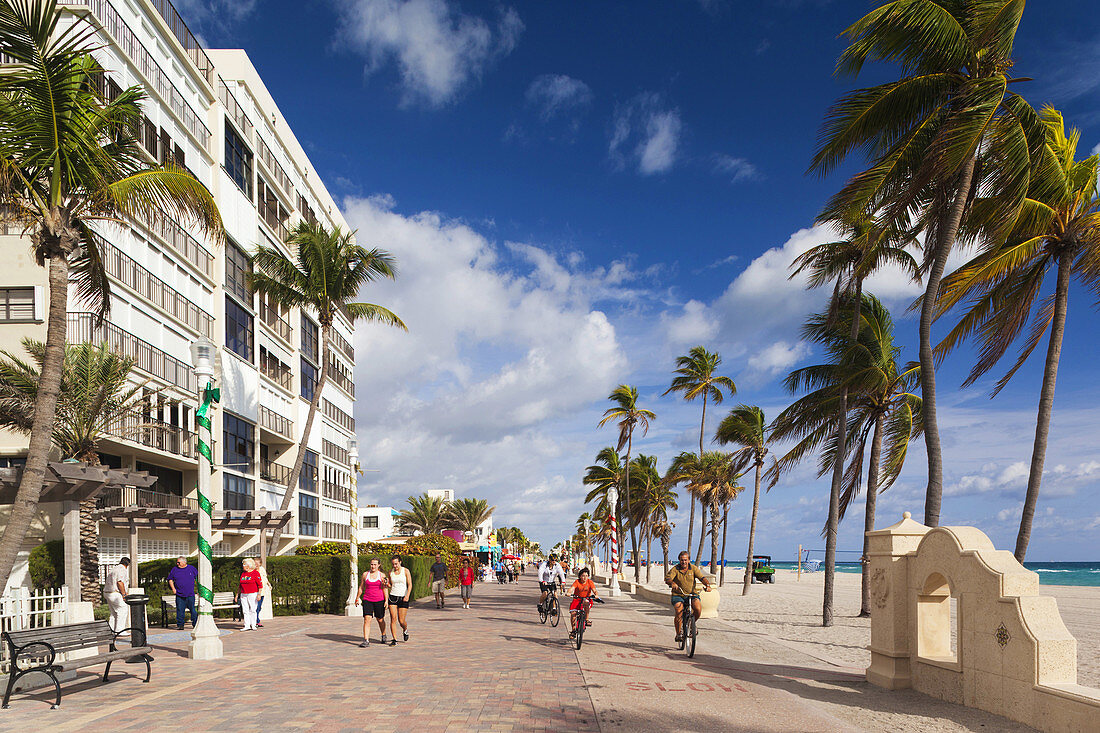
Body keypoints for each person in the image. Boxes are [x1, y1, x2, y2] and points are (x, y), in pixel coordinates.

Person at [664, 550, 712, 643]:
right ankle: (678, 634)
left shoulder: (693, 568)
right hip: (678, 595)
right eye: (682, 560)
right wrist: (672, 583)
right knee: (679, 610)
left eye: (685, 560)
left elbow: (702, 578)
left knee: (698, 608)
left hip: (692, 594)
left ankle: (692, 624)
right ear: (679, 560)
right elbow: (668, 578)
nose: (684, 562)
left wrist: (707, 585)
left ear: (689, 560)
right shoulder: (675, 569)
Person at [354, 557, 389, 646]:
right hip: (367, 599)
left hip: (379, 600)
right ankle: (366, 640)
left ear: (379, 565)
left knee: (380, 619)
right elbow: (361, 587)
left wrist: (386, 601)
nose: (373, 566)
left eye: (375, 564)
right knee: (367, 619)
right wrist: (357, 597)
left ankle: (383, 634)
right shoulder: (365, 574)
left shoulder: (382, 575)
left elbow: (385, 588)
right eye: (371, 564)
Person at [166, 556, 198, 630]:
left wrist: (198, 590)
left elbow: (197, 579)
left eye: (178, 562)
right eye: (177, 562)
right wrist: (173, 589)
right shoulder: (175, 569)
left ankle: (195, 624)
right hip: (179, 595)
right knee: (180, 610)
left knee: (193, 610)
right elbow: (170, 579)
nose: (177, 564)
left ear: (184, 562)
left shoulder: (191, 568)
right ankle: (180, 625)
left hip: (190, 594)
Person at [568, 567, 599, 639]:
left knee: (586, 602)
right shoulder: (577, 582)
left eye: (586, 576)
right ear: (580, 576)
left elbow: (594, 590)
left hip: (587, 599)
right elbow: (572, 588)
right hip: (577, 599)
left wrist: (596, 595)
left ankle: (587, 619)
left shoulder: (590, 582)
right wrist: (568, 592)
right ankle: (573, 631)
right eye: (583, 576)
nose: (584, 578)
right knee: (573, 614)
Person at [387, 555, 412, 646]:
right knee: (393, 619)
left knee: (401, 621)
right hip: (393, 596)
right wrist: (386, 583)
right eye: (393, 564)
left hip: (403, 597)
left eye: (396, 564)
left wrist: (407, 595)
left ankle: (405, 630)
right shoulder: (391, 572)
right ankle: (394, 639)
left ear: (400, 562)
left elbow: (410, 585)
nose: (395, 566)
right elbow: (390, 584)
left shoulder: (405, 571)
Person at [104, 557, 130, 633]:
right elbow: (120, 582)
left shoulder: (114, 568)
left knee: (114, 613)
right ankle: (120, 631)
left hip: (107, 592)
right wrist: (124, 594)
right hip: (115, 594)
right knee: (123, 610)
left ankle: (111, 630)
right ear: (127, 564)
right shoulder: (122, 569)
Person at [237, 557, 262, 631]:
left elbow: (260, 585)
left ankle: (253, 624)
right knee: (245, 610)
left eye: (244, 565)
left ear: (248, 565)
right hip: (243, 594)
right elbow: (240, 585)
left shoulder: (255, 573)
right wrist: (237, 594)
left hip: (252, 594)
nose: (243, 566)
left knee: (253, 609)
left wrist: (259, 594)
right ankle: (246, 625)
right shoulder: (243, 574)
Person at [253, 557, 270, 628]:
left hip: (262, 592)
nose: (256, 565)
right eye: (255, 563)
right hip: (256, 592)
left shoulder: (262, 569)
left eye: (257, 563)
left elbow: (265, 578)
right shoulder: (253, 571)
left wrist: (269, 584)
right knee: (255, 607)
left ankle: (256, 620)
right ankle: (256, 621)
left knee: (259, 607)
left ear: (260, 564)